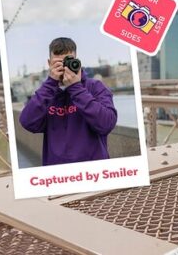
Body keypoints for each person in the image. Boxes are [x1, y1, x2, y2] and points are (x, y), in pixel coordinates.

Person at [19, 37, 117, 166]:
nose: (65, 67)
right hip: (57, 175)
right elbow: (27, 122)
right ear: (49, 63)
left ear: (76, 61)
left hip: (94, 171)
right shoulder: (46, 94)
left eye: (68, 61)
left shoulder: (95, 87)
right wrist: (50, 84)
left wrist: (76, 88)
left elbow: (107, 123)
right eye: (58, 63)